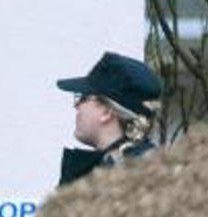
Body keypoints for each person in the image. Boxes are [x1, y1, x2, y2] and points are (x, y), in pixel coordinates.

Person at [56, 51, 161, 185]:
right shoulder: (135, 168)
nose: (76, 106)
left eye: (83, 97)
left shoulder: (127, 178)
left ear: (106, 112)